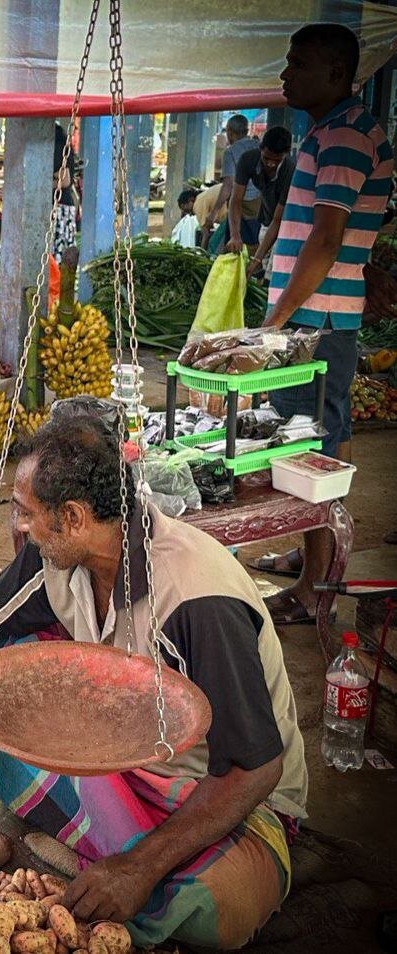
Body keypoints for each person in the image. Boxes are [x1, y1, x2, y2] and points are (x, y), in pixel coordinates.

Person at [0, 414, 307, 950]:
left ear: (72, 517)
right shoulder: (58, 555)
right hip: (122, 751)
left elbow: (254, 768)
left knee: (213, 914)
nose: (19, 527)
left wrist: (137, 868)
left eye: (26, 514)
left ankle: (114, 848)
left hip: (217, 789)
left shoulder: (198, 600)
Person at [257, 23, 393, 625]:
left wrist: (276, 320)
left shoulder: (343, 136)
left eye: (299, 63)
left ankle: (316, 588)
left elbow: (328, 237)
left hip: (316, 321)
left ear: (336, 73)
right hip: (322, 317)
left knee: (306, 447)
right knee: (318, 442)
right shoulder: (334, 131)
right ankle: (314, 561)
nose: (286, 74)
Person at [225, 126, 295, 275]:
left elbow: (278, 220)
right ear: (260, 149)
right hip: (266, 221)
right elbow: (236, 200)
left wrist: (256, 259)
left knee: (272, 276)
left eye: (276, 160)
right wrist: (235, 235)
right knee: (262, 270)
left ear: (286, 154)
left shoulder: (290, 170)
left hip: (287, 227)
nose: (270, 164)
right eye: (266, 158)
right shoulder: (248, 160)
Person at [203, 115, 261, 248]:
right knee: (256, 245)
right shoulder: (258, 146)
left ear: (230, 132)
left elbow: (228, 186)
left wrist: (213, 214)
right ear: (246, 131)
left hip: (241, 206)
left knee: (237, 248)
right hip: (260, 205)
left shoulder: (231, 152)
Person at [53, 122, 78, 263]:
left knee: (58, 257)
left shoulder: (58, 148)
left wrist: (42, 185)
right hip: (63, 207)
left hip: (60, 210)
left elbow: (65, 180)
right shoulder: (64, 146)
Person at [193, 182, 228, 249]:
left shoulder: (197, 205)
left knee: (214, 244)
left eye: (183, 207)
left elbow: (206, 234)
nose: (186, 213)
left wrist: (202, 252)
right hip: (232, 213)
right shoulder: (203, 197)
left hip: (230, 215)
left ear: (189, 201)